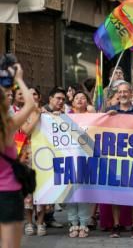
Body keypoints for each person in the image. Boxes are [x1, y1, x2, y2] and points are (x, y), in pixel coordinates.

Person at [0, 63, 35, 248]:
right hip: (9, 193)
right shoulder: (8, 126)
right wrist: (19, 79)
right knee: (10, 245)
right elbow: (30, 104)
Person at [105, 81, 133, 239]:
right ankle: (116, 225)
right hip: (116, 156)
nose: (122, 95)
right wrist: (107, 118)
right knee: (116, 192)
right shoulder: (110, 111)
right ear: (117, 94)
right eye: (119, 92)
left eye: (125, 92)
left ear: (130, 93)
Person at [66, 91, 94, 238]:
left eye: (83, 98)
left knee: (83, 192)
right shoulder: (64, 116)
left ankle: (83, 224)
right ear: (72, 102)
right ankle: (73, 223)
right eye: (76, 98)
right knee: (70, 191)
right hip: (68, 159)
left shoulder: (93, 118)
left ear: (87, 102)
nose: (79, 100)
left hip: (86, 159)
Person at [41, 87, 66, 230]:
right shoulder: (41, 111)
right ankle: (40, 220)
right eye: (58, 98)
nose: (61, 101)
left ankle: (49, 218)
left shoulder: (64, 113)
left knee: (53, 187)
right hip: (43, 155)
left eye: (63, 99)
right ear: (50, 98)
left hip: (57, 155)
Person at [21, 87, 45, 237]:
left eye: (35, 94)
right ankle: (29, 223)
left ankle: (41, 223)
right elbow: (26, 130)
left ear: (39, 96)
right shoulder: (21, 114)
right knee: (28, 191)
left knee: (43, 189)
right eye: (28, 94)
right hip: (27, 155)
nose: (32, 96)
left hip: (44, 155)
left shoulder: (46, 112)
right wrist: (37, 115)